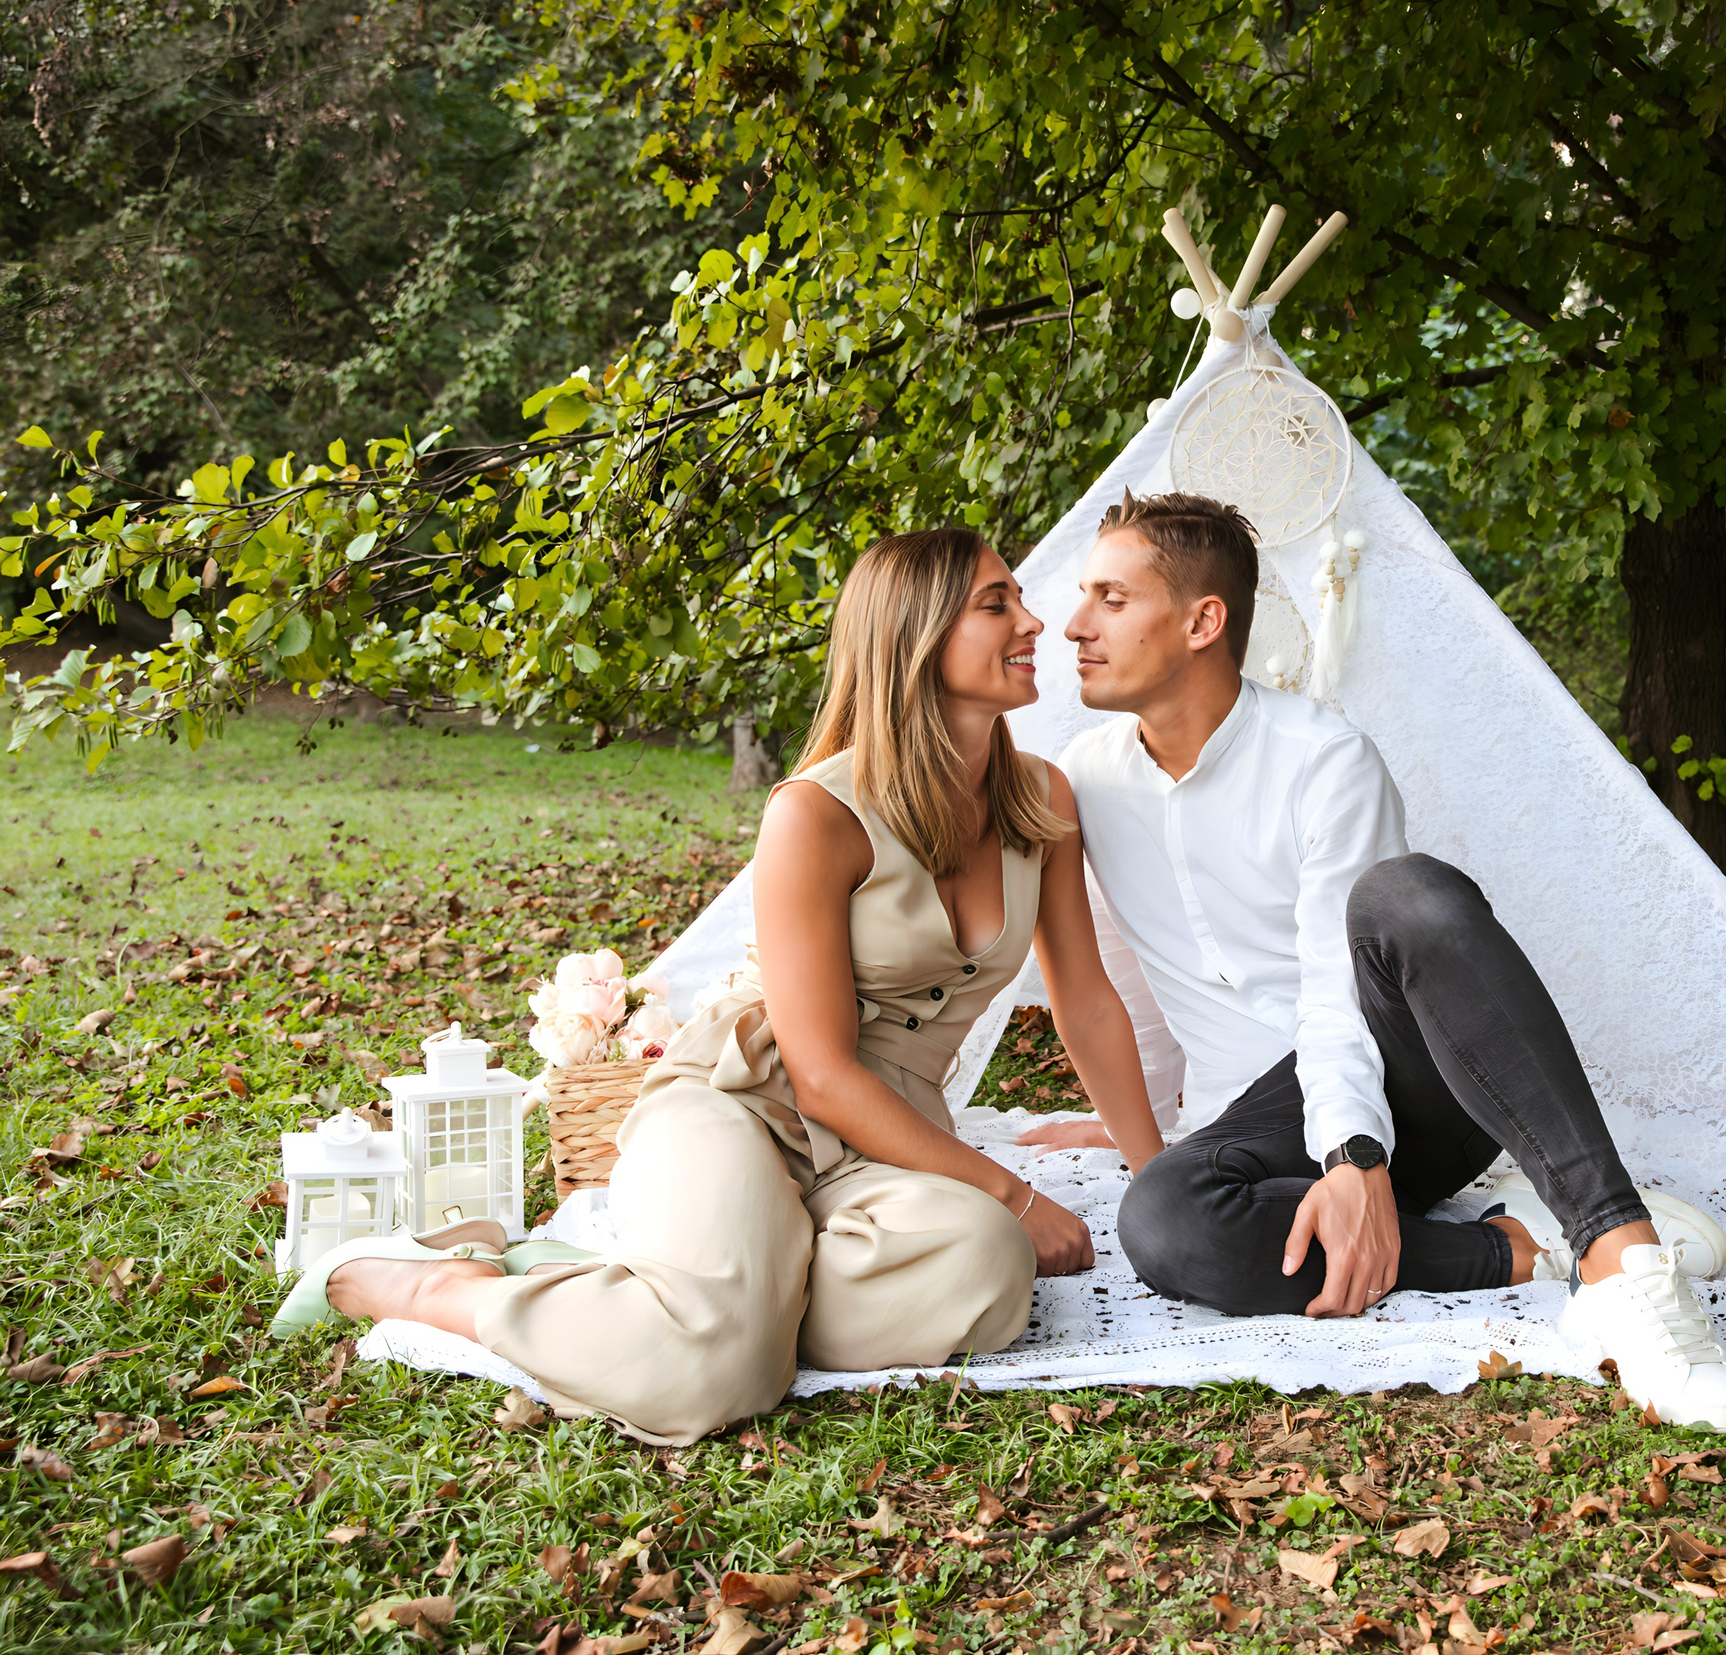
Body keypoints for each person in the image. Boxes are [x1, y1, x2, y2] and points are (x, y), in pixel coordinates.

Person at [272, 529, 1165, 1444]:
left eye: (1018, 598)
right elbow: (818, 1076)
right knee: (720, 1375)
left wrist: (1158, 1178)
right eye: (996, 604)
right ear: (914, 637)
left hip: (893, 1139)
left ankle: (710, 1298)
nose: (1035, 621)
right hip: (742, 1104)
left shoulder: (1041, 800)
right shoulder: (816, 813)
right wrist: (1016, 1193)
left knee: (984, 1267)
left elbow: (1086, 1004)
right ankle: (445, 1286)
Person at [1022, 492, 1726, 1432]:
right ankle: (1520, 1247)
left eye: (1111, 599)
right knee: (1164, 1219)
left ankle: (1619, 1251)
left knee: (1404, 894)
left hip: (1403, 1092)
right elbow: (1114, 983)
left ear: (1203, 621)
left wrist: (1354, 1152)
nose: (1073, 626)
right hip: (1250, 1134)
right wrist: (1140, 1130)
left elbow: (1339, 992)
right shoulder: (1081, 779)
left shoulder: (1323, 757)